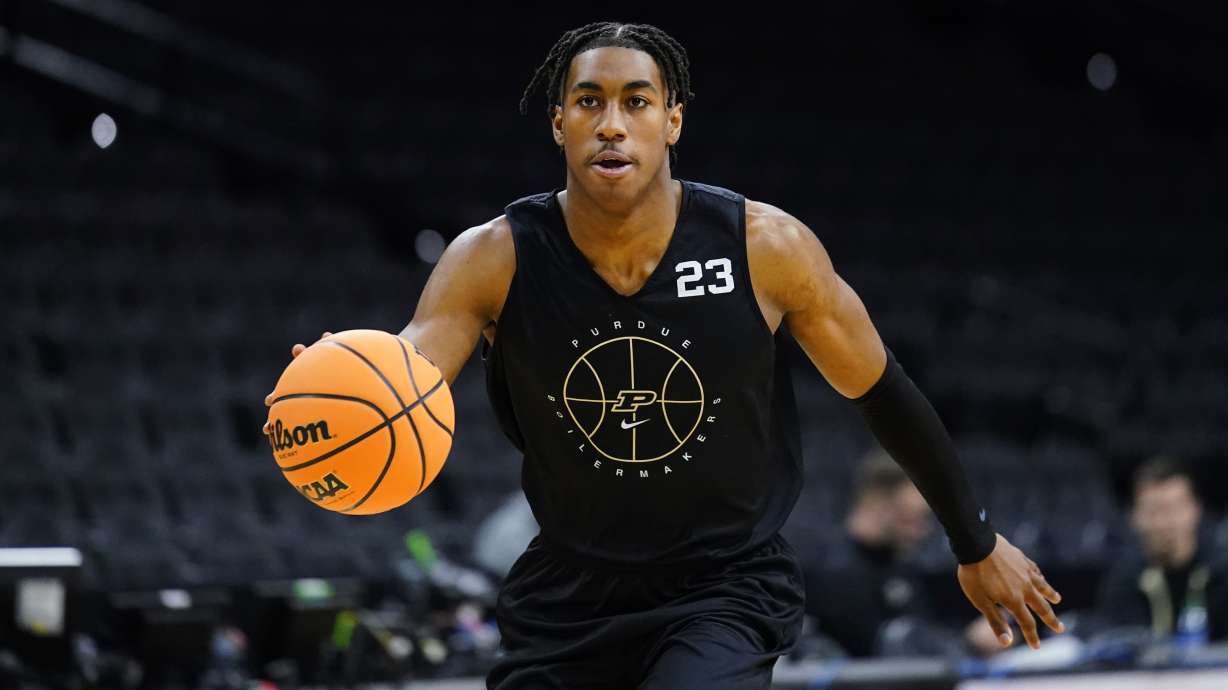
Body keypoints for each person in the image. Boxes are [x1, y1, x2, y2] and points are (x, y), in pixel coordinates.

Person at [265, 21, 1064, 689]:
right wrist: (338, 387)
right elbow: (408, 372)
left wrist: (975, 541)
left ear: (671, 121)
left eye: (635, 102)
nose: (612, 123)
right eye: (589, 102)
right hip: (571, 587)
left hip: (724, 581)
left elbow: (882, 389)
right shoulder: (494, 258)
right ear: (559, 124)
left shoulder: (765, 248)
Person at [1095, 456, 1228, 642]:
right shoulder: (1124, 581)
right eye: (1153, 511)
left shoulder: (1222, 572)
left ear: (1195, 509)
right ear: (1134, 517)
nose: (1164, 522)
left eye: (1174, 509)